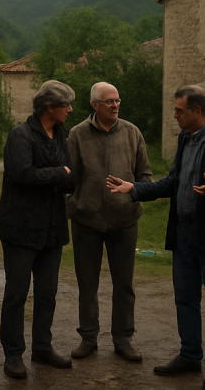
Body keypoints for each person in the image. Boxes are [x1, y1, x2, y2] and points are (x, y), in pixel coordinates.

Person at [107, 85, 205, 389]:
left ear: (198, 111)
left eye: (179, 111)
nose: (174, 116)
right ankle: (190, 355)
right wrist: (135, 188)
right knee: (185, 298)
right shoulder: (185, 138)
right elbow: (174, 181)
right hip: (184, 235)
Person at [0, 80, 76, 379]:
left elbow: (71, 176)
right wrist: (59, 174)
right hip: (20, 228)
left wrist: (61, 176)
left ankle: (42, 347)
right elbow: (22, 174)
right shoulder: (21, 135)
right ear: (49, 107)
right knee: (16, 294)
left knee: (47, 293)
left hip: (52, 228)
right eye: (65, 104)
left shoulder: (61, 135)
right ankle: (13, 354)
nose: (70, 109)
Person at [66, 82, 153, 363]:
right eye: (109, 101)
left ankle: (123, 339)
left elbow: (145, 176)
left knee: (124, 285)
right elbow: (68, 178)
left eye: (117, 101)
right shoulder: (77, 134)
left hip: (124, 220)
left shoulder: (132, 132)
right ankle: (88, 338)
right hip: (86, 221)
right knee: (87, 284)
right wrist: (74, 206)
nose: (114, 105)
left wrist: (134, 193)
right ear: (95, 105)